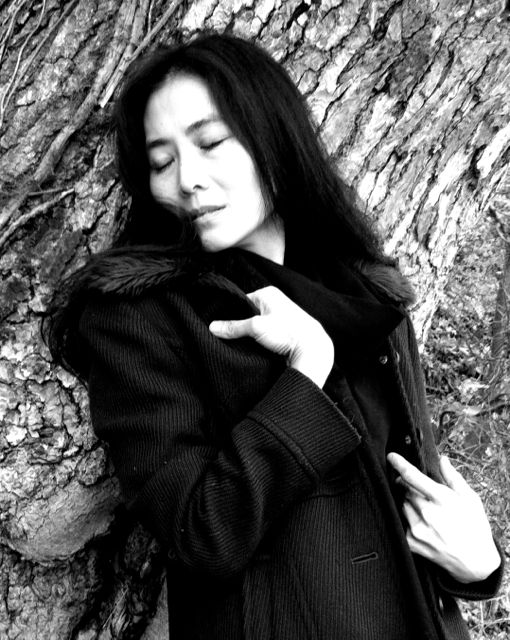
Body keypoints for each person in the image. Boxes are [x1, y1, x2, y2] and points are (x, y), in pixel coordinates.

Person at [44, 32, 503, 640]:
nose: (187, 180)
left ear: (272, 136)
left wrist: (479, 568)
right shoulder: (138, 318)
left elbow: (407, 506)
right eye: (162, 161)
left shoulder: (368, 294)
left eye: (211, 142)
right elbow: (199, 534)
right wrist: (306, 371)